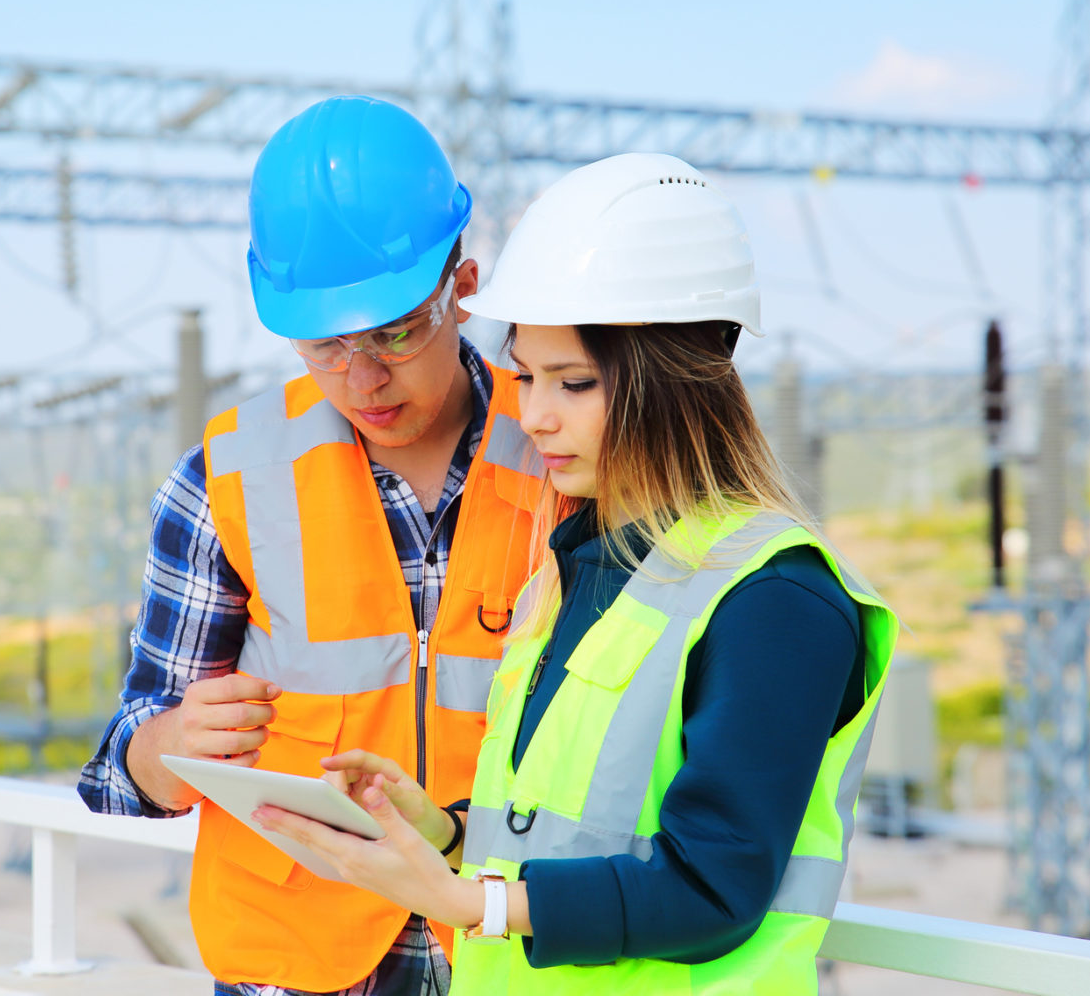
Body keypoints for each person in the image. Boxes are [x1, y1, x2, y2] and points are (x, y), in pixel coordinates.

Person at [257, 153, 899, 994]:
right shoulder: (573, 564)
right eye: (525, 375)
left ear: (673, 382)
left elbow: (715, 888)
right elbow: (562, 832)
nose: (535, 414)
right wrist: (443, 830)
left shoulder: (774, 599)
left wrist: (468, 900)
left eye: (576, 382)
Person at [81, 95, 544, 996]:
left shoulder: (564, 456)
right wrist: (169, 742)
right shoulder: (225, 479)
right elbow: (119, 769)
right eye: (323, 347)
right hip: (297, 968)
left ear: (465, 284)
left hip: (508, 948)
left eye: (395, 333)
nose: (362, 376)